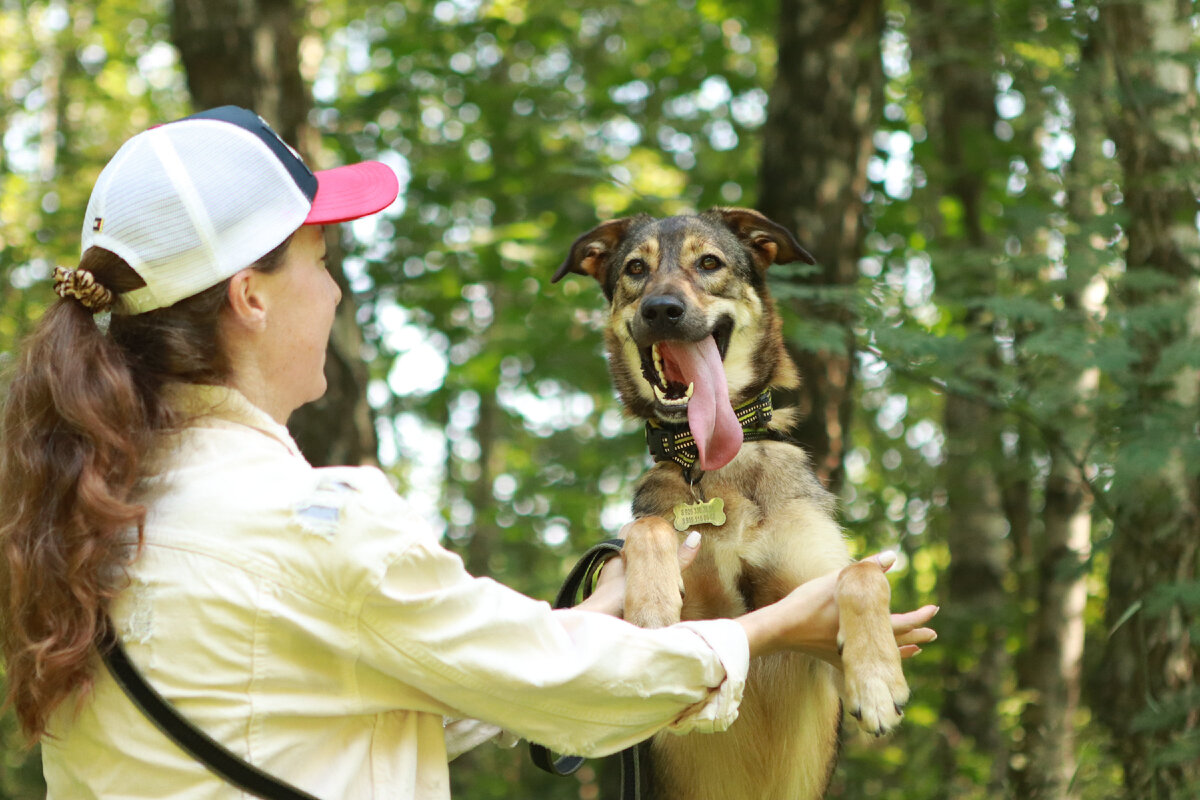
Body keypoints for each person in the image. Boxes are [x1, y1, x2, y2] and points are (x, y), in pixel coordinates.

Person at [0, 106, 938, 799]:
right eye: (323, 266)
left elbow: (404, 687)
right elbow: (541, 684)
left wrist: (594, 609)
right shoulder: (313, 523)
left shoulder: (91, 512)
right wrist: (775, 629)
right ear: (250, 296)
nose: (333, 297)